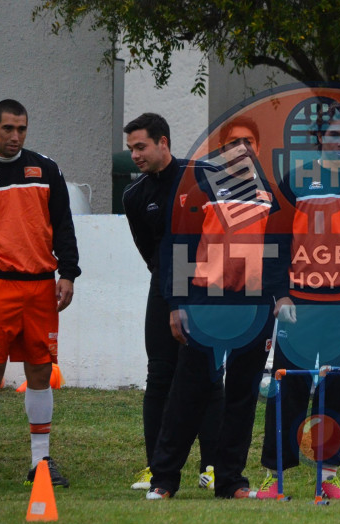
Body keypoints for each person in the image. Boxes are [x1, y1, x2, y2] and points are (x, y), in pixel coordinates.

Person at [256, 98, 340, 500]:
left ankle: (328, 477)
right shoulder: (294, 182)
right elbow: (274, 242)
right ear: (319, 139)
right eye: (334, 135)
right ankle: (276, 476)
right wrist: (280, 296)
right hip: (300, 303)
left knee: (338, 391)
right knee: (289, 389)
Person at [0, 99, 80, 490]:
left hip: (41, 285)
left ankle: (40, 462)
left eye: (22, 128)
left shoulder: (46, 170)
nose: (15, 136)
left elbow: (64, 224)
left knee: (40, 370)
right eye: (8, 128)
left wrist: (68, 273)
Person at [146, 117, 276, 500]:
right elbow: (178, 250)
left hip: (254, 306)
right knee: (188, 392)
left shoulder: (270, 194)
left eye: (248, 142)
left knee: (242, 395)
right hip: (206, 302)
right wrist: (176, 305)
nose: (242, 149)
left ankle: (230, 480)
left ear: (257, 147)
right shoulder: (198, 190)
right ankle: (164, 480)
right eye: (234, 143)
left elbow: (282, 251)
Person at [122, 112, 224, 491]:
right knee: (160, 377)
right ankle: (157, 468)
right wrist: (171, 288)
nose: (135, 155)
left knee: (210, 377)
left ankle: (212, 466)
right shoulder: (134, 195)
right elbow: (150, 252)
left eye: (141, 147)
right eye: (131, 149)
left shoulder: (204, 176)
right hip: (164, 290)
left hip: (209, 289)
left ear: (163, 142)